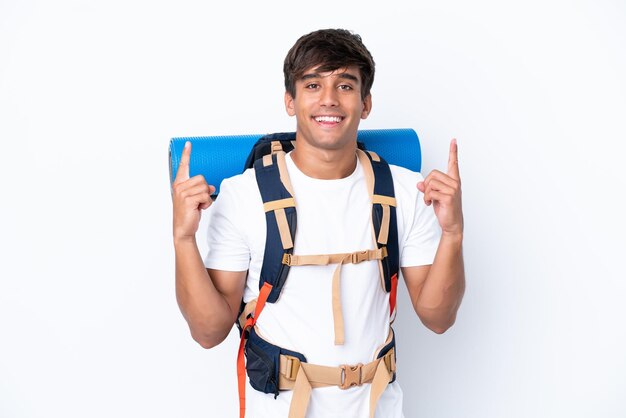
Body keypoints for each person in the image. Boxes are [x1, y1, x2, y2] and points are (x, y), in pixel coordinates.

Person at [172, 28, 465, 418]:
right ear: (290, 101)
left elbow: (439, 318)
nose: (329, 99)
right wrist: (184, 238)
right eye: (312, 85)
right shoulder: (243, 196)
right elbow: (208, 333)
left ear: (366, 103)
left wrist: (453, 233)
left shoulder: (407, 192)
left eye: (345, 85)